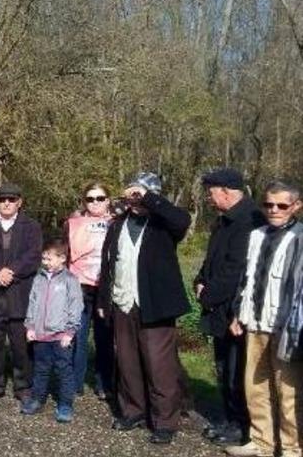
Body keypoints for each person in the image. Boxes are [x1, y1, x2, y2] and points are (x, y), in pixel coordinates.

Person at [97, 172, 191, 445]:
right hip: (122, 303)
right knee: (127, 362)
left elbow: (181, 220)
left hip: (155, 305)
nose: (135, 200)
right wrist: (104, 300)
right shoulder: (118, 224)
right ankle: (133, 411)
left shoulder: (165, 224)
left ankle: (164, 421)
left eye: (140, 195)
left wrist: (149, 197)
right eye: (132, 195)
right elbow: (108, 264)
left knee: (159, 366)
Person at [224, 181, 303, 457]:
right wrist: (237, 312)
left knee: (289, 393)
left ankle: (292, 448)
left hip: (287, 328)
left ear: (296, 206)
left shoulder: (300, 238)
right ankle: (262, 443)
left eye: (281, 205)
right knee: (255, 388)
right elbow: (245, 280)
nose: (274, 210)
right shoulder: (256, 234)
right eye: (268, 204)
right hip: (254, 322)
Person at [195, 168, 264, 445]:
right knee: (223, 367)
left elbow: (236, 270)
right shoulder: (224, 220)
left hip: (235, 309)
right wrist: (199, 280)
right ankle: (229, 418)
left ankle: (241, 425)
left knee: (237, 370)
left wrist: (207, 295)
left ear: (226, 191)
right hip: (218, 307)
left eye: (211, 193)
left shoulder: (250, 221)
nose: (209, 199)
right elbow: (212, 260)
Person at [0, 183, 42, 403]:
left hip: (18, 291)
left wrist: (11, 272)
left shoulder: (31, 226)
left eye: (11, 200)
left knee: (21, 344)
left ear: (19, 202)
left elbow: (33, 255)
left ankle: (23, 385)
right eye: (2, 200)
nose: (7, 203)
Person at [21, 239, 83, 423]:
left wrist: (70, 332)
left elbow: (76, 307)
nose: (45, 262)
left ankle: (65, 404)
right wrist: (30, 326)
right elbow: (32, 303)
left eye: (49, 259)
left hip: (61, 336)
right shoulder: (38, 278)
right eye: (44, 258)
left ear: (62, 258)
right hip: (40, 335)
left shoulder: (70, 280)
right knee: (40, 369)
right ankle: (37, 399)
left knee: (64, 371)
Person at [65, 182, 114, 399]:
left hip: (107, 288)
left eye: (100, 198)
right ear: (84, 201)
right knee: (78, 336)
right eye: (90, 199)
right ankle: (75, 383)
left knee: (105, 337)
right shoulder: (73, 222)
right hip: (79, 285)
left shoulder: (118, 223)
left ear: (108, 200)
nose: (95, 203)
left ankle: (104, 383)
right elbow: (63, 254)